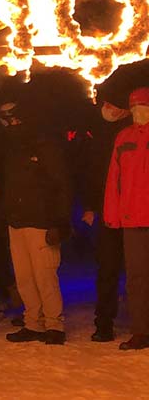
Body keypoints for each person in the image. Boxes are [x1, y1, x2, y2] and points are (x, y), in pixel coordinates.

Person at [0, 101, 70, 345]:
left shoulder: (46, 146)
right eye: (6, 121)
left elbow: (61, 186)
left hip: (41, 222)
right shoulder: (11, 148)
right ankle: (33, 322)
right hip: (17, 220)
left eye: (15, 119)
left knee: (45, 276)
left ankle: (54, 324)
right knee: (24, 277)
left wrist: (59, 223)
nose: (11, 125)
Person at [104, 88, 149, 350]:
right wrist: (112, 214)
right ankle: (141, 331)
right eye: (135, 107)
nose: (139, 111)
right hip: (133, 218)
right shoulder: (123, 137)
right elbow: (114, 179)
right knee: (136, 278)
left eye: (143, 105)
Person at [86, 100, 129, 342]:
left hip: (135, 208)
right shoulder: (98, 134)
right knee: (107, 268)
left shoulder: (135, 131)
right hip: (107, 211)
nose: (110, 109)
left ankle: (140, 321)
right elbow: (90, 172)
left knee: (138, 269)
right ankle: (104, 323)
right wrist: (90, 205)